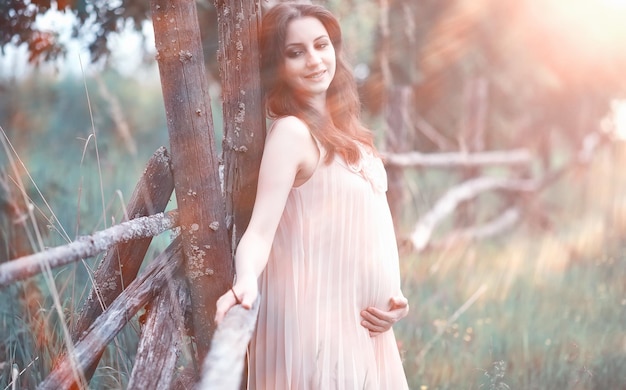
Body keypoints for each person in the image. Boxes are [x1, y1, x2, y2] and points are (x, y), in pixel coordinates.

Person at [215, 3, 410, 389]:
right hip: (315, 330)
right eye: (295, 52)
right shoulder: (292, 133)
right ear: (278, 65)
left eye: (321, 45)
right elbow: (259, 231)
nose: (314, 60)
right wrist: (246, 280)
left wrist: (394, 299)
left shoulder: (351, 135)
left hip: (365, 333)